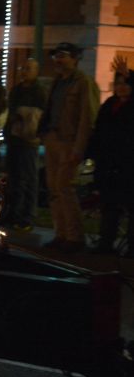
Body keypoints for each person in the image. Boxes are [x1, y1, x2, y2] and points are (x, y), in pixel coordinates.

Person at [37, 42, 100, 254]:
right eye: (56, 56)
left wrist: (79, 148)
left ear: (75, 58)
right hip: (53, 139)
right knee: (54, 189)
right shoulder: (57, 82)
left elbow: (87, 117)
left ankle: (75, 237)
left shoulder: (83, 82)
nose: (58, 60)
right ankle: (61, 234)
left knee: (65, 187)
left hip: (69, 142)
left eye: (63, 55)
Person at [85, 57, 133, 255]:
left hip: (128, 165)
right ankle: (106, 243)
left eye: (126, 84)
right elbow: (98, 131)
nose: (121, 87)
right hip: (108, 164)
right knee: (109, 205)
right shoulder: (109, 105)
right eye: (118, 83)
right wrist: (91, 154)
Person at [3, 57, 46, 230]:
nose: (24, 71)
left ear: (36, 71)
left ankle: (27, 216)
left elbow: (40, 114)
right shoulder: (17, 90)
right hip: (14, 138)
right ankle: (13, 212)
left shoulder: (38, 92)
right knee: (14, 177)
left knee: (28, 178)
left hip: (28, 140)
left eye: (29, 68)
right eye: (23, 68)